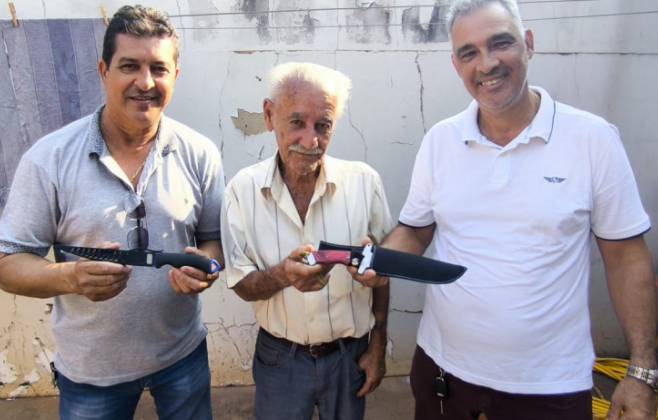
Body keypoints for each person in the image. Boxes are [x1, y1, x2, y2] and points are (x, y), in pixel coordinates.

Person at [355, 0, 657, 418]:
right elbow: (417, 230)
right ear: (456, 64)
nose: (487, 64)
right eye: (469, 53)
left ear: (528, 44)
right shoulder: (441, 141)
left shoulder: (592, 140)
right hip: (444, 374)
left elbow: (627, 259)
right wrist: (381, 261)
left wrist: (642, 373)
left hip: (549, 386)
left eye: (501, 44)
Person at [0, 5, 224, 420]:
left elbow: (213, 239)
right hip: (91, 373)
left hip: (183, 357)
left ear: (176, 74)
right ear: (104, 71)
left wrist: (207, 268)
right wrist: (68, 277)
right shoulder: (50, 159)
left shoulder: (200, 153)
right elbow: (6, 262)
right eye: (129, 66)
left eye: (159, 68)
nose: (145, 82)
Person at [221, 62, 393, 420]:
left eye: (323, 126)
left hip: (349, 356)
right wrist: (283, 275)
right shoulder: (242, 190)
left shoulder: (365, 183)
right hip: (280, 359)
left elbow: (383, 274)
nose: (311, 141)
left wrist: (378, 345)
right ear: (269, 116)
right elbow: (242, 284)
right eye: (296, 122)